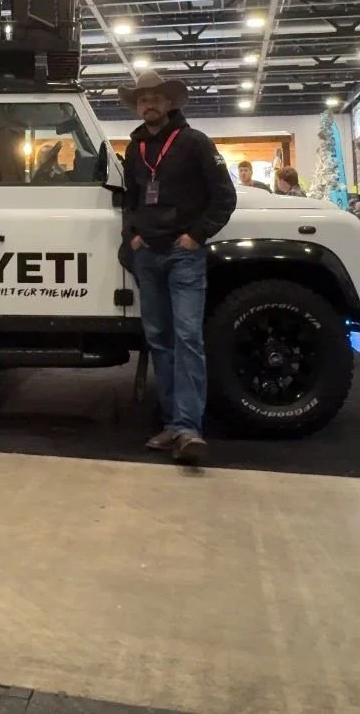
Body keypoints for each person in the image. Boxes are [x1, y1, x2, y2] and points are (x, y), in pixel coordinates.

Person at [119, 69, 237, 466]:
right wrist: (132, 236)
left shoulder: (194, 143)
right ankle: (172, 423)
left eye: (155, 97)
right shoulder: (135, 148)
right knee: (160, 340)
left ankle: (188, 428)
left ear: (170, 102)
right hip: (148, 255)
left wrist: (197, 235)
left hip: (184, 254)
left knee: (187, 339)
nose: (148, 104)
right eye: (142, 98)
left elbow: (224, 196)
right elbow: (130, 199)